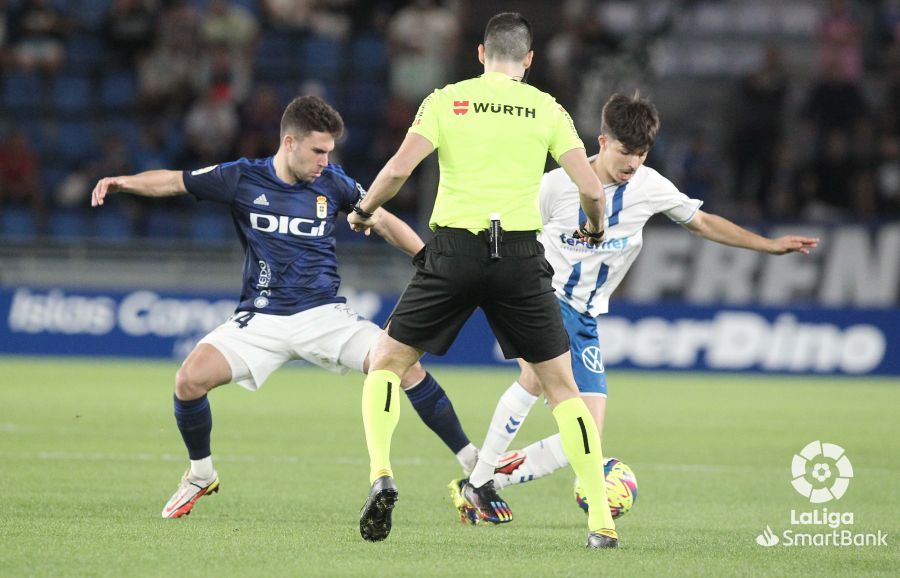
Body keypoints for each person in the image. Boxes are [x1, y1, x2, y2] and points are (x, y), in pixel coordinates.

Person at [90, 95, 475, 519]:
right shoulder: (241, 177)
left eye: (329, 152)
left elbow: (381, 220)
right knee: (188, 381)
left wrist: (428, 261)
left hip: (324, 314)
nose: (325, 161)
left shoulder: (335, 183)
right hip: (262, 318)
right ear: (289, 142)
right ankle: (201, 473)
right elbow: (175, 181)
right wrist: (123, 181)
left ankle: (474, 464)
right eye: (318, 151)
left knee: (403, 365)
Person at [462, 92, 819, 504]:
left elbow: (701, 223)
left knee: (587, 441)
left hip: (586, 317)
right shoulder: (557, 186)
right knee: (535, 379)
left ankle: (487, 480)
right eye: (625, 151)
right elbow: (508, 235)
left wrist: (768, 246)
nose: (632, 162)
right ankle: (480, 481)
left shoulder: (650, 188)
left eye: (642, 153)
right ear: (601, 142)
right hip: (541, 300)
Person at [348, 13, 619, 549]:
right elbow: (590, 187)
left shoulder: (447, 99)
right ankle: (600, 524)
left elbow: (400, 170)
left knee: (387, 362)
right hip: (519, 255)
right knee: (564, 390)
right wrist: (595, 227)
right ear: (529, 60)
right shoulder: (547, 108)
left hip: (454, 249)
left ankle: (381, 473)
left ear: (480, 54)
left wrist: (364, 209)